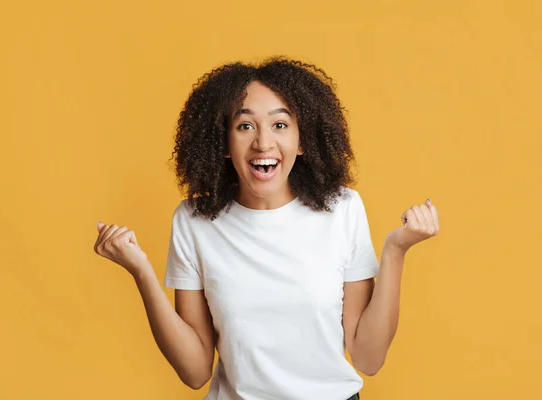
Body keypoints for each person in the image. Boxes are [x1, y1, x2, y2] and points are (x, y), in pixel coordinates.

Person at [93, 57, 440, 400]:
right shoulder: (194, 221)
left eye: (280, 125)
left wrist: (396, 250)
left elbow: (369, 357)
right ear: (224, 143)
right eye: (245, 126)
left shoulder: (342, 209)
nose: (262, 143)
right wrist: (141, 271)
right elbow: (195, 371)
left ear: (302, 141)